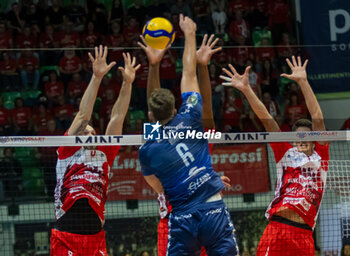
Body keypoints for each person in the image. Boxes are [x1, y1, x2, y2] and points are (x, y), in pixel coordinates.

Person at [138, 15, 239, 255]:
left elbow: (156, 109)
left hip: (186, 216)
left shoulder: (155, 144)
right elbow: (189, 99)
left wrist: (154, 65)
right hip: (174, 217)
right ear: (175, 109)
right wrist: (200, 64)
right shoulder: (189, 126)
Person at [221, 56, 329, 256]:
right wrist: (246, 90)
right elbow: (268, 121)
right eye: (298, 136)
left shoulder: (320, 158)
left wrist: (303, 82)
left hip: (304, 236)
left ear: (314, 139)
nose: (302, 139)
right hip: (277, 230)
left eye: (307, 135)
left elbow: (317, 117)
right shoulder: (286, 152)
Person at [50, 46, 140, 256]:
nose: (87, 132)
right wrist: (97, 77)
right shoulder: (67, 152)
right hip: (66, 236)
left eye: (91, 130)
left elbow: (117, 117)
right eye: (83, 132)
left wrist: (127, 83)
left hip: (95, 238)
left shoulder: (104, 154)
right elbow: (83, 115)